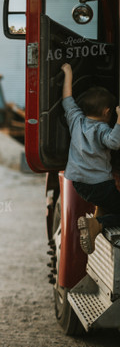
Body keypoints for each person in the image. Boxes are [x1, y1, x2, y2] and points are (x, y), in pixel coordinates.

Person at [61, 62, 120, 254]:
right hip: (100, 185)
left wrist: (68, 72)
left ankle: (95, 223)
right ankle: (96, 224)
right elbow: (114, 143)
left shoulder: (76, 119)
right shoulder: (102, 129)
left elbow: (67, 99)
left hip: (79, 184)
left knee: (107, 203)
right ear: (107, 112)